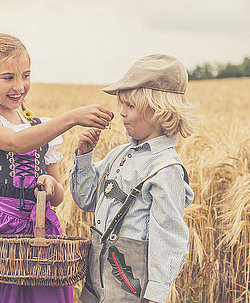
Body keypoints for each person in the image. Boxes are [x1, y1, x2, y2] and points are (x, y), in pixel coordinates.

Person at [0, 30, 113, 303]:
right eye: (8, 77)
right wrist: (72, 117)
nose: (19, 86)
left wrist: (52, 186)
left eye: (25, 75)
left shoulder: (40, 126)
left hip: (40, 231)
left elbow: (60, 196)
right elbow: (17, 143)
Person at [70, 54, 196, 303]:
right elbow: (85, 199)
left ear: (159, 109)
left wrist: (155, 295)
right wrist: (84, 157)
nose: (121, 113)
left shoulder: (165, 168)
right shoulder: (118, 155)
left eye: (130, 106)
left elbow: (168, 236)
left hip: (131, 291)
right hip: (95, 285)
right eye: (122, 105)